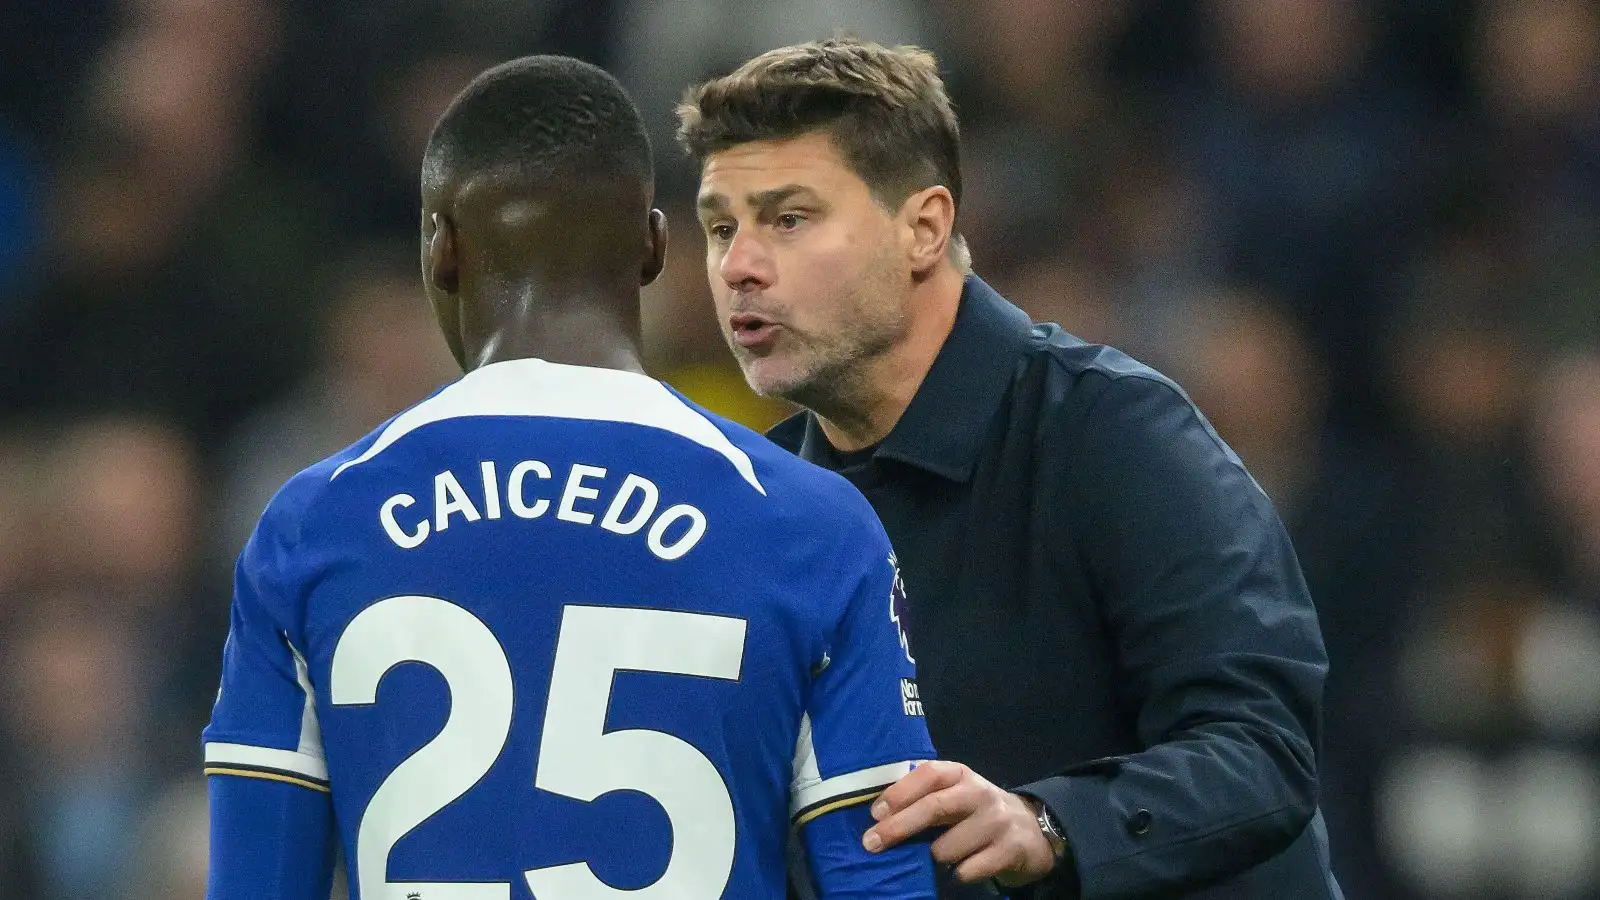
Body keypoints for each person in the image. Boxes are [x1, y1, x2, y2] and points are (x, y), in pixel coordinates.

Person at [201, 55, 937, 900]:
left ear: (441, 248)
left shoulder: (312, 525)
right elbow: (881, 882)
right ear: (657, 245)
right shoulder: (812, 525)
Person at [679, 38, 1342, 899]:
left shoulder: (1113, 432)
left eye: (790, 218)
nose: (738, 266)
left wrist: (1052, 822)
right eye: (721, 227)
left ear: (924, 229)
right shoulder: (760, 501)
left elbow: (1262, 752)